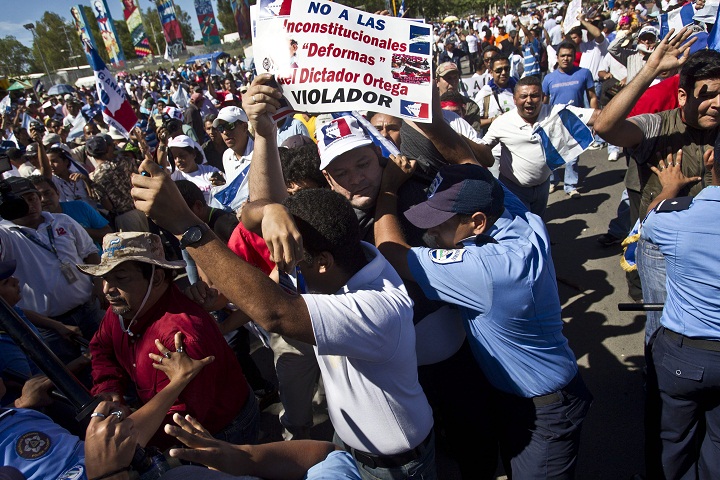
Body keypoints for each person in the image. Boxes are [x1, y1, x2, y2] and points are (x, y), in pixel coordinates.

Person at [131, 103, 437, 480]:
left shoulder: (375, 307)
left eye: (294, 260)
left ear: (320, 262)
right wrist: (268, 173)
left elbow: (274, 310)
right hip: (349, 449)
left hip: (398, 469)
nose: (284, 268)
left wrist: (185, 226)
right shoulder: (344, 261)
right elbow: (249, 215)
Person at [374, 161, 593, 479]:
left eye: (439, 221)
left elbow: (391, 251)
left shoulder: (485, 271)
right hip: (524, 393)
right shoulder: (514, 215)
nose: (429, 231)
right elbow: (470, 163)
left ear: (477, 222)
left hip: (544, 408)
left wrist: (389, 188)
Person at [81, 232, 259, 450]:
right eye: (105, 278)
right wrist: (110, 390)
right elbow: (100, 347)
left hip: (219, 433)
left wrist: (130, 437)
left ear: (155, 279)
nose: (107, 290)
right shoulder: (120, 311)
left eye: (120, 278)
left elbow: (182, 419)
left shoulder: (182, 336)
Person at [593, 31, 717, 344]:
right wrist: (650, 71)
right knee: (664, 335)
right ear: (683, 96)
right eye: (708, 95)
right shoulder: (657, 126)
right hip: (662, 260)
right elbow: (605, 127)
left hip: (711, 261)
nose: (717, 105)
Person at [638, 148, 720, 480]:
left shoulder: (676, 217)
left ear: (711, 158)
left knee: (670, 442)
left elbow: (647, 227)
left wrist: (670, 188)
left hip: (684, 356)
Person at [477, 75, 600, 217]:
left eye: (534, 96)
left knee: (539, 221)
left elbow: (597, 115)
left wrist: (604, 124)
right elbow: (483, 148)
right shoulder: (502, 122)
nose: (529, 100)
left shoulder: (556, 113)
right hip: (513, 189)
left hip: (543, 187)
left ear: (542, 97)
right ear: (515, 100)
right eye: (523, 96)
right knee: (522, 229)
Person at [542, 41, 598, 198]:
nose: (566, 58)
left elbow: (592, 97)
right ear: (557, 58)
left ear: (574, 57)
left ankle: (570, 186)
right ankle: (553, 181)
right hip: (553, 121)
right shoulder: (549, 78)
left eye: (569, 56)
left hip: (575, 120)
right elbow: (544, 102)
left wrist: (594, 119)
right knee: (552, 155)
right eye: (563, 56)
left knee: (572, 156)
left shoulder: (584, 73)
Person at [30, 174, 112, 250]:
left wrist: (77, 230)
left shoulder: (80, 207)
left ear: (57, 193)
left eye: (47, 193)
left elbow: (109, 234)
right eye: (38, 197)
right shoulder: (34, 225)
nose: (44, 199)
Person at [85, 135, 149, 232]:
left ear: (88, 153)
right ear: (107, 148)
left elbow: (108, 206)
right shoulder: (124, 161)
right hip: (143, 209)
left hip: (124, 218)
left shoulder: (94, 177)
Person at [168, 135, 222, 205]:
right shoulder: (174, 174)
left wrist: (221, 185)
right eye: (175, 157)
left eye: (182, 156)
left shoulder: (210, 171)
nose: (178, 160)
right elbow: (160, 172)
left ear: (193, 154)